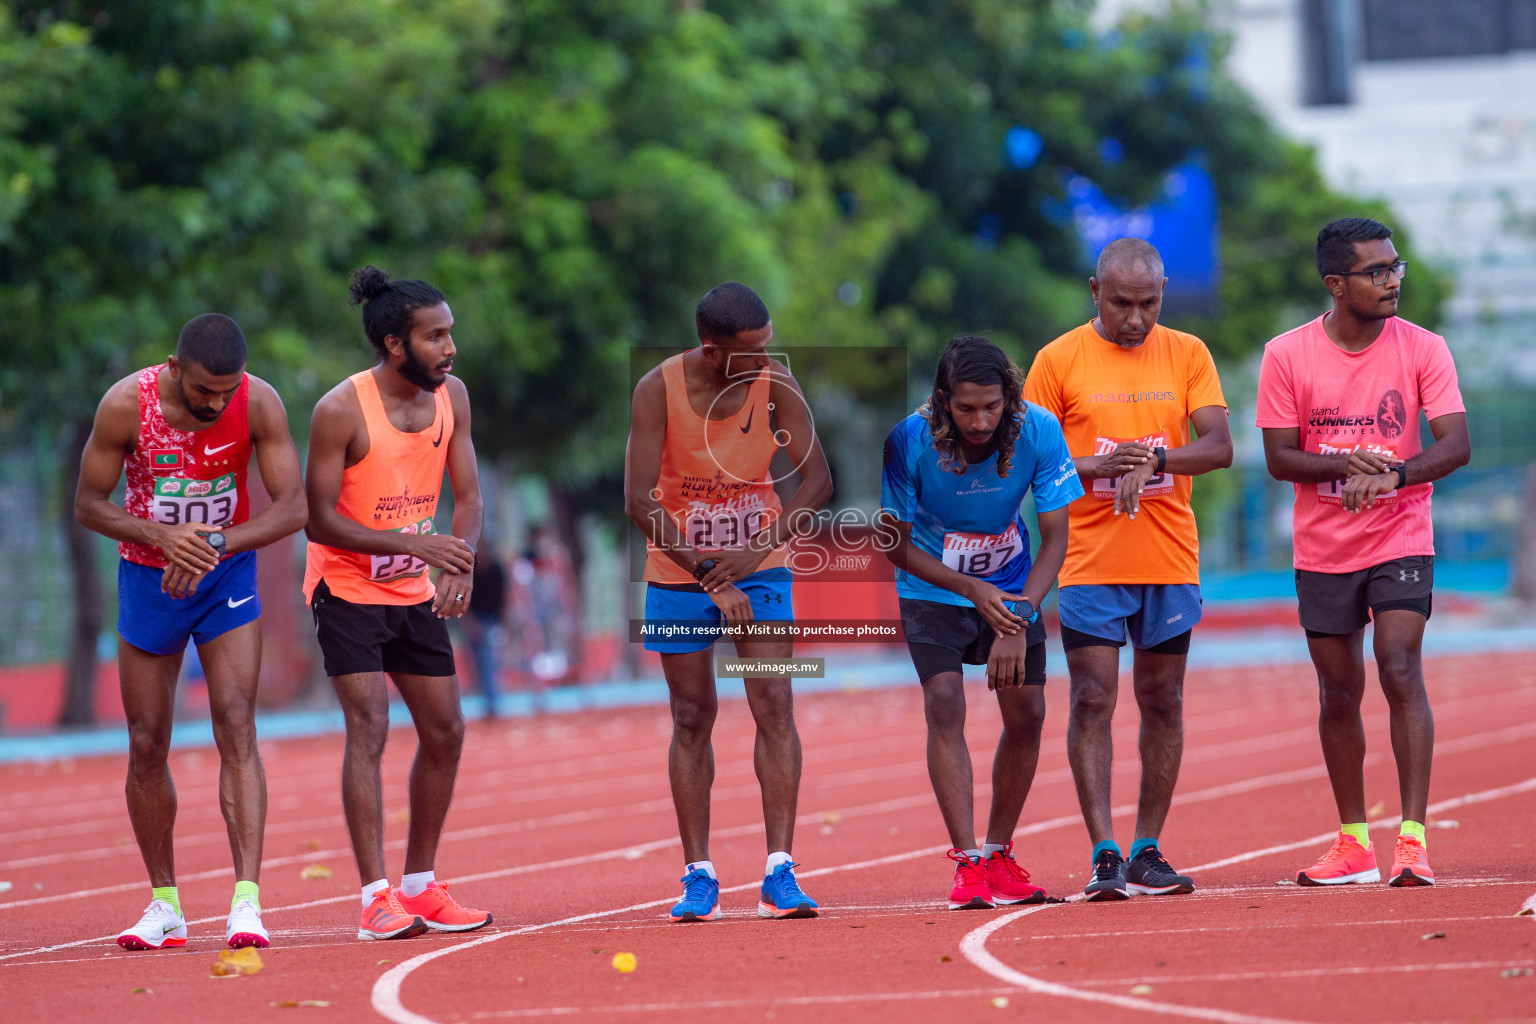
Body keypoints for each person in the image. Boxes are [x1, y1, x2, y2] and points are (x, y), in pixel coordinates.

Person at [74, 314, 308, 950]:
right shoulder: (127, 404)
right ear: (175, 370)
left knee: (236, 720)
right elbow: (88, 503)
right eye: (205, 391)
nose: (216, 403)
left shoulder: (258, 401)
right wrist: (161, 536)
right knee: (147, 740)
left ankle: (246, 904)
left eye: (226, 391)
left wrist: (211, 544)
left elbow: (294, 506)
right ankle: (165, 903)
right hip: (149, 580)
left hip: (223, 575)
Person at [1256, 217, 1469, 887]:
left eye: (1394, 267)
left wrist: (1394, 475)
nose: (1392, 280)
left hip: (1402, 532)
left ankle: (1412, 838)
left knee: (1399, 664)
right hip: (1323, 546)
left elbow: (1455, 444)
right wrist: (1348, 464)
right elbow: (1279, 458)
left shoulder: (1424, 348)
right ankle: (1353, 842)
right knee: (1338, 689)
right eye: (1376, 272)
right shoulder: (1286, 355)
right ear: (1335, 284)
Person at [1025, 237, 1232, 901]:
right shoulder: (1056, 361)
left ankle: (1147, 847)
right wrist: (1100, 466)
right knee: (1092, 698)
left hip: (1168, 557)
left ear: (1163, 295)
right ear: (1095, 293)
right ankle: (1104, 852)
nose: (1135, 318)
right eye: (1121, 304)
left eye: (1148, 303)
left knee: (1162, 701)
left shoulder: (1189, 353)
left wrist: (1159, 461)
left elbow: (1219, 447)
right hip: (1087, 559)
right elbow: (1027, 464)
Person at [624, 282, 833, 922]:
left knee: (774, 700)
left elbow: (818, 482)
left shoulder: (779, 387)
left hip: (761, 565)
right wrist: (715, 576)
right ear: (712, 351)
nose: (766, 361)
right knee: (693, 715)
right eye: (751, 352)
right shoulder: (657, 389)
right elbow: (638, 500)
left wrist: (754, 552)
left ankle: (780, 871)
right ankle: (699, 874)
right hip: (681, 569)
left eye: (769, 346)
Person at [303, 266, 491, 940]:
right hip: (347, 589)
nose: (450, 347)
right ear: (393, 344)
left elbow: (466, 498)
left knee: (446, 730)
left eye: (449, 333)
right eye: (435, 336)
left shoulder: (453, 399)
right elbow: (318, 519)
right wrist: (419, 549)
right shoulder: (341, 410)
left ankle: (421, 884)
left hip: (413, 590)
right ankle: (375, 898)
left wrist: (457, 562)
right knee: (371, 726)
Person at [879, 335, 1081, 910]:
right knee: (945, 702)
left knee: (1029, 713)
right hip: (932, 586)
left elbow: (1057, 535)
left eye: (992, 406)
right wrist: (970, 588)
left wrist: (1017, 617)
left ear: (1009, 398)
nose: (980, 420)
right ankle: (967, 863)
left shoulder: (1038, 429)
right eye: (966, 408)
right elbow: (892, 544)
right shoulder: (907, 440)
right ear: (943, 400)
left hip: (1015, 586)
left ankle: (998, 853)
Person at [464, 549, 508, 717]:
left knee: (488, 661)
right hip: (476, 620)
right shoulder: (470, 571)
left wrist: (502, 618)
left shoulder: (496, 569)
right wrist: (468, 621)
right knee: (479, 664)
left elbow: (504, 593)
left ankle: (492, 702)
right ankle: (488, 700)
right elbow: (462, 597)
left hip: (491, 620)